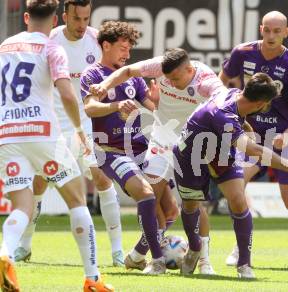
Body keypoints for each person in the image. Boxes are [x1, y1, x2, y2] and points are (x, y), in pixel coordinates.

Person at [0, 1, 113, 291]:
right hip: (43, 134)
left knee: (22, 205)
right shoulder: (52, 47)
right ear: (54, 22)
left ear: (25, 17)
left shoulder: (4, 46)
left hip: (8, 135)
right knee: (77, 200)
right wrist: (78, 130)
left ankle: (6, 252)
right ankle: (92, 278)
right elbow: (66, 94)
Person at [173, 73, 288, 279]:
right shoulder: (223, 116)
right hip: (190, 156)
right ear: (261, 103)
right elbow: (256, 151)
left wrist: (248, 130)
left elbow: (241, 123)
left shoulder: (235, 94)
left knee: (239, 201)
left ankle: (244, 264)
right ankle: (195, 247)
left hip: (219, 152)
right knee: (191, 205)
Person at [90, 48, 222, 275]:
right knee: (149, 196)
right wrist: (105, 86)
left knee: (193, 204)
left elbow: (226, 101)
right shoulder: (158, 66)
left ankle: (204, 261)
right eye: (167, 79)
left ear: (190, 70)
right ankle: (157, 261)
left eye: (176, 79)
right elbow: (129, 70)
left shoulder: (206, 81)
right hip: (162, 139)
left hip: (192, 144)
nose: (171, 82)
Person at [219, 10, 288, 269]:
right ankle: (240, 247)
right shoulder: (242, 53)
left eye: (277, 31)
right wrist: (230, 112)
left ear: (286, 32)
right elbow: (221, 82)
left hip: (284, 137)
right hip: (251, 134)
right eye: (267, 30)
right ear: (261, 29)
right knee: (237, 186)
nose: (271, 36)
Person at [81, 20, 166, 275]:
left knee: (170, 209)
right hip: (111, 151)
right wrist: (115, 106)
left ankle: (138, 255)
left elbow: (153, 109)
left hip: (140, 148)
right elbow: (89, 108)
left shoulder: (133, 77)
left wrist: (158, 103)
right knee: (146, 193)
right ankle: (158, 261)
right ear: (106, 45)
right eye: (122, 48)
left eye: (129, 50)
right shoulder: (93, 75)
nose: (127, 55)